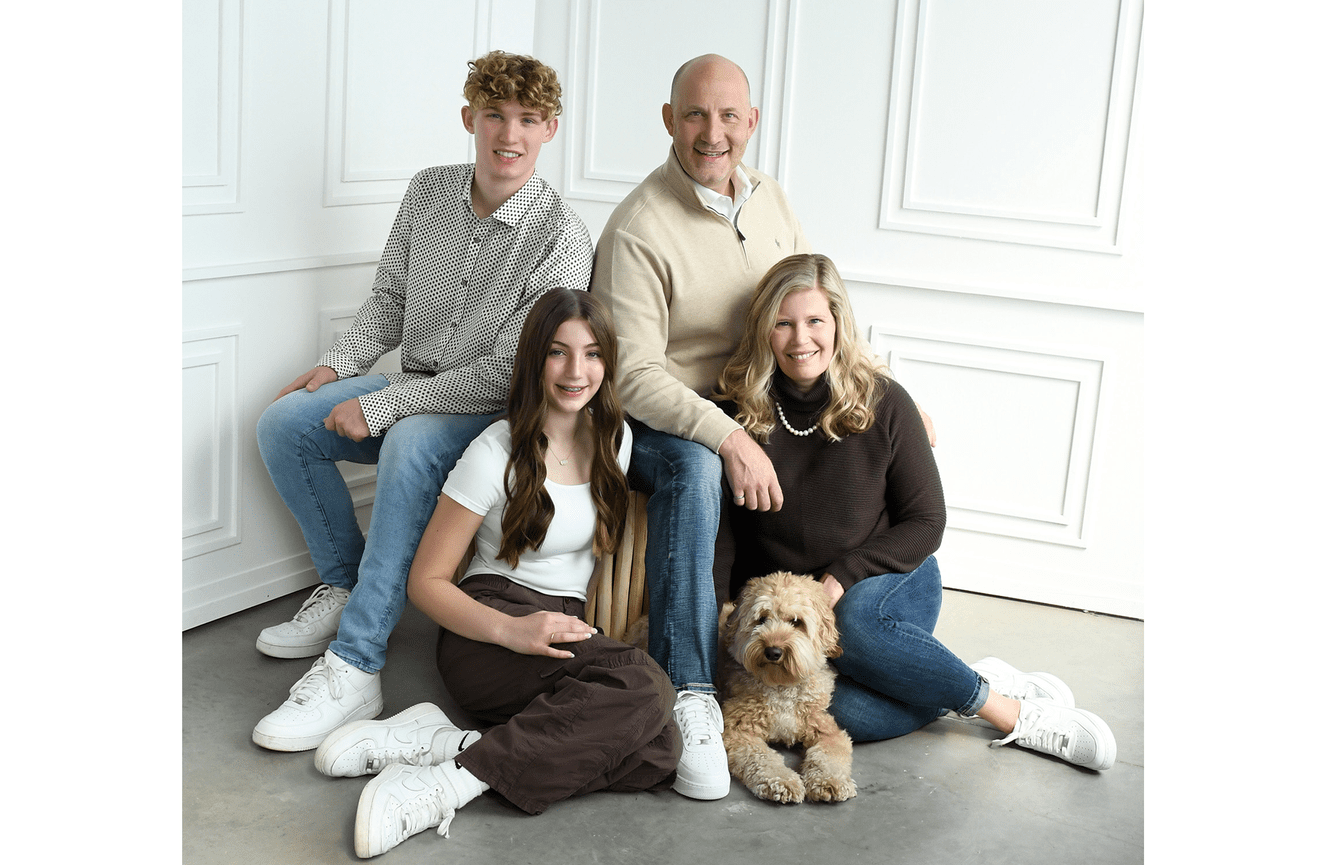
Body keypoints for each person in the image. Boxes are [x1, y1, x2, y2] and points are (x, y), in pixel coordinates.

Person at [251, 51, 595, 752]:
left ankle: (356, 663)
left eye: (528, 119)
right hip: (415, 383)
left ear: (550, 129)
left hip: (488, 409)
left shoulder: (563, 236)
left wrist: (385, 407)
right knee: (285, 423)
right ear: (470, 117)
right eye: (495, 114)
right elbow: (389, 300)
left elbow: (509, 371)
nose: (510, 133)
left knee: (408, 440)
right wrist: (337, 365)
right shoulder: (428, 192)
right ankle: (347, 584)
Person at [308, 289, 679, 858]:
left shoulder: (615, 439)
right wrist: (514, 631)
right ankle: (442, 788)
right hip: (488, 628)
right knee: (644, 688)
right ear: (535, 359)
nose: (576, 371)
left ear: (608, 361)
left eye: (592, 353)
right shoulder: (495, 450)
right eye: (558, 353)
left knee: (660, 751)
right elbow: (426, 582)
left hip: (563, 636)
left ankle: (446, 745)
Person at [711, 253, 1117, 770]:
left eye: (815, 321)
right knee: (834, 712)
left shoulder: (884, 401)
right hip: (795, 609)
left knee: (854, 622)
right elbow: (723, 536)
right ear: (763, 330)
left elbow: (927, 522)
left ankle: (1009, 713)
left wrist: (839, 579)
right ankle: (952, 675)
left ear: (838, 323)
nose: (800, 340)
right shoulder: (733, 414)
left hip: (889, 578)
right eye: (783, 324)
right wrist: (720, 617)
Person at [589, 53, 812, 801]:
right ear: (668, 120)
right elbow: (633, 376)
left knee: (869, 435)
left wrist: (872, 386)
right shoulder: (641, 227)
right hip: (656, 422)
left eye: (727, 116)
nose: (711, 132)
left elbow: (813, 301)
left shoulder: (770, 198)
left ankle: (856, 640)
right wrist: (728, 435)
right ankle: (688, 693)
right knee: (695, 466)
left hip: (748, 403)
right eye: (694, 114)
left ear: (751, 123)